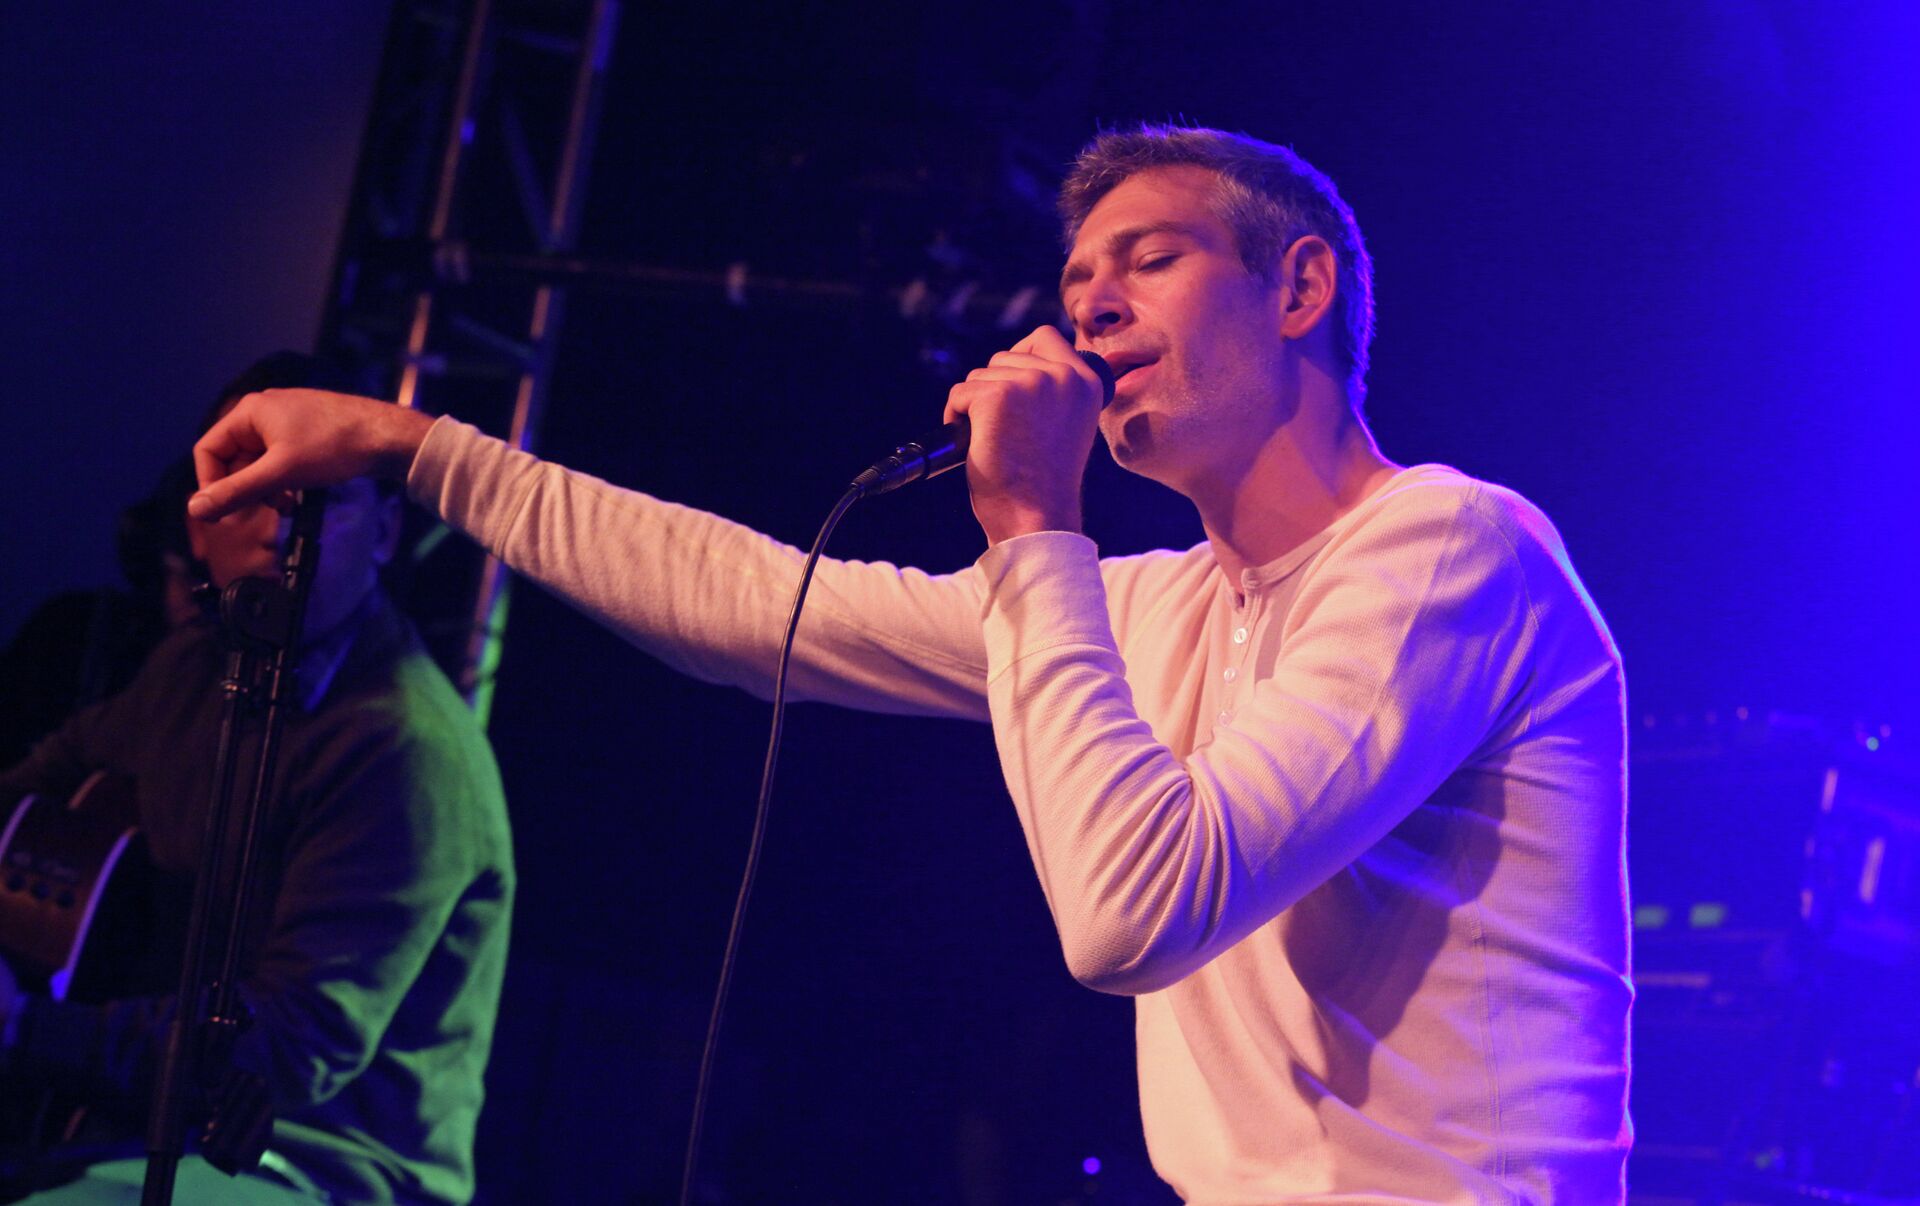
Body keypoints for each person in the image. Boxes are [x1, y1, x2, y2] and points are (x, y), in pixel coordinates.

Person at [186, 126, 1631, 1202]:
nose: (1090, 308)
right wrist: (413, 446)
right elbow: (761, 608)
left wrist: (1033, 524)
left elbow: (1132, 918)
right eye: (1077, 280)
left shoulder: (1450, 545)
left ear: (1300, 286)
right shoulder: (1153, 605)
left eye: (1151, 260)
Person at [0, 354, 515, 1204]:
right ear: (199, 525)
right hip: (139, 1128)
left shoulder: (404, 749)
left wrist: (32, 1028)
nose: (282, 531)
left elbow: (294, 1047)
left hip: (318, 1165)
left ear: (385, 532)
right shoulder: (190, 667)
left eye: (320, 504)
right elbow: (30, 795)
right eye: (251, 490)